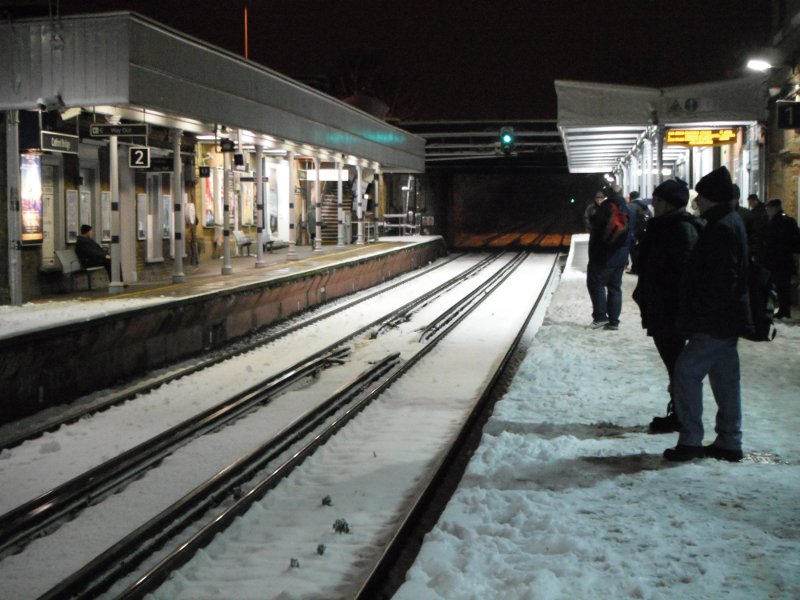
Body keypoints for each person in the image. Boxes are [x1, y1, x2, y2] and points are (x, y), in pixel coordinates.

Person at [664, 166, 753, 462]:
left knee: (686, 373)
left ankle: (690, 440)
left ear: (712, 198)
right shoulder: (731, 221)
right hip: (727, 320)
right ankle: (729, 440)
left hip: (713, 321)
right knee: (725, 380)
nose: (697, 201)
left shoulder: (720, 228)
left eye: (701, 196)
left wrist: (700, 310)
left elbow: (720, 279)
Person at [632, 178, 702, 433]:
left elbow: (678, 273)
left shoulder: (678, 229)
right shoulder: (667, 226)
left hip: (671, 310)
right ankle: (680, 413)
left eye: (658, 200)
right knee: (675, 366)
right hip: (663, 308)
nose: (654, 205)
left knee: (678, 367)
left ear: (669, 203)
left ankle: (682, 417)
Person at [586, 184, 632, 331]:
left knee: (596, 283)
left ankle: (600, 317)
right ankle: (614, 322)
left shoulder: (605, 208)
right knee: (615, 287)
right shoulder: (628, 209)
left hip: (604, 254)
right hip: (622, 253)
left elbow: (596, 227)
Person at [764, 198, 800, 319]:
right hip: (784, 259)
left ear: (775, 208)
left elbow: (773, 242)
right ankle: (784, 310)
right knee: (783, 286)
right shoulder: (786, 220)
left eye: (768, 208)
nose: (767, 211)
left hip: (778, 259)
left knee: (781, 286)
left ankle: (783, 310)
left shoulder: (778, 221)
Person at [626, 190, 651, 274]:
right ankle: (642, 268)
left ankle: (635, 268)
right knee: (642, 250)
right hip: (645, 231)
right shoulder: (645, 205)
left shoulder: (631, 206)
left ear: (631, 197)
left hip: (635, 232)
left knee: (634, 251)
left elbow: (629, 219)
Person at [747, 193, 769, 264]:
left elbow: (757, 227)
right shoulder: (763, 209)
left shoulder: (757, 212)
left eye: (750, 203)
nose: (750, 205)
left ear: (755, 201)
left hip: (760, 240)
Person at [185, 200, 200, 266]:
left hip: (192, 236)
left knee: (192, 248)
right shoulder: (193, 219)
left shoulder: (192, 222)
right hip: (193, 235)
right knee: (194, 248)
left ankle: (194, 261)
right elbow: (197, 221)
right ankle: (195, 261)